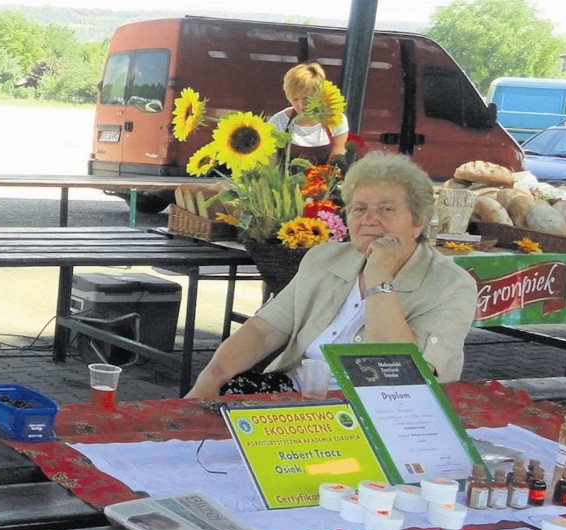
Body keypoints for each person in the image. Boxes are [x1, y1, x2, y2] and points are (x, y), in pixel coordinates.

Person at [186, 151, 478, 400]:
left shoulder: (451, 285)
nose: (369, 219)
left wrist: (379, 279)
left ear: (418, 222)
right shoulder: (325, 258)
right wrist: (213, 376)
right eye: (359, 208)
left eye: (386, 209)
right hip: (299, 394)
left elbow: (397, 370)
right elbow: (263, 331)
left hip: (384, 410)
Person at [268, 61, 349, 163]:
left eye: (307, 99)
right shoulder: (278, 122)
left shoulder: (336, 120)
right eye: (295, 99)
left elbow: (336, 164)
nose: (301, 106)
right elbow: (270, 165)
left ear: (319, 93)